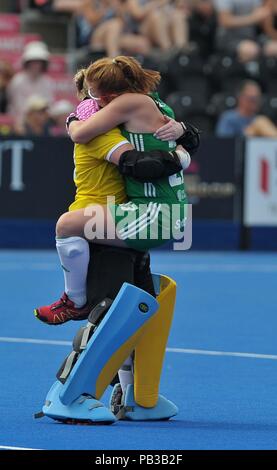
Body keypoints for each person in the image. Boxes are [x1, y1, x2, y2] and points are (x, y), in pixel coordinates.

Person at [35, 58, 192, 325]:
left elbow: (80, 133)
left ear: (110, 96)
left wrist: (73, 118)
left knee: (67, 225)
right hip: (155, 210)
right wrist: (186, 140)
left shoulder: (129, 103)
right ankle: (129, 359)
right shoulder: (152, 102)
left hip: (156, 213)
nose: (91, 102)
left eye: (93, 95)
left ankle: (75, 301)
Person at [7, 41, 54, 127]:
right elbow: (17, 106)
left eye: (39, 62)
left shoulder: (47, 81)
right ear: (27, 63)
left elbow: (49, 104)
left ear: (43, 64)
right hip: (20, 121)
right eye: (33, 61)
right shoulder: (18, 81)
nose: (36, 65)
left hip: (42, 121)